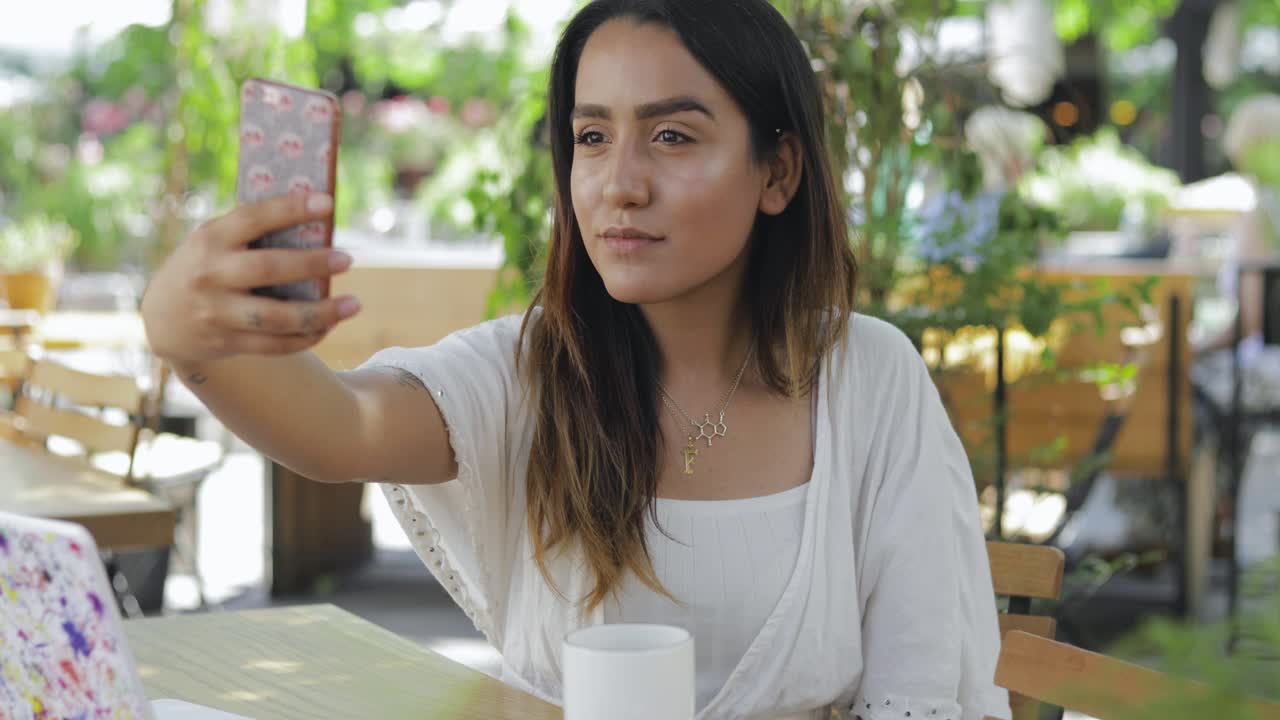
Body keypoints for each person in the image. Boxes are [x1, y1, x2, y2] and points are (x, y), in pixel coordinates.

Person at [141, 2, 1010, 718]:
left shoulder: (869, 378)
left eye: (672, 137)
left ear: (777, 171)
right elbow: (340, 429)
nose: (618, 183)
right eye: (592, 138)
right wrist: (187, 332)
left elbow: (922, 687)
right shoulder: (530, 372)